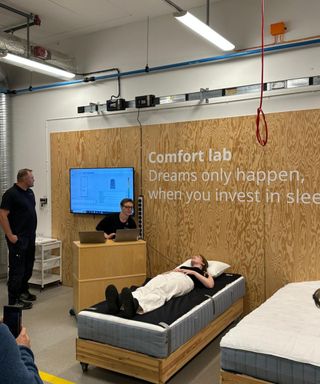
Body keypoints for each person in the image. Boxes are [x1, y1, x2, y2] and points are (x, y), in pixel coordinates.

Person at [105, 254, 214, 318]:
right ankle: (119, 302)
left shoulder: (202, 273)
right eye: (193, 256)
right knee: (147, 288)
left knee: (161, 291)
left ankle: (136, 306)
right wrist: (173, 271)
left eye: (197, 256)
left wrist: (194, 273)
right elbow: (169, 273)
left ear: (203, 263)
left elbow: (210, 284)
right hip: (170, 275)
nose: (193, 256)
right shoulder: (184, 266)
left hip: (185, 280)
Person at [0, 169, 37, 310]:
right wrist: (10, 235)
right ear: (23, 179)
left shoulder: (29, 192)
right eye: (31, 177)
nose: (34, 180)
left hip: (30, 237)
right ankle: (13, 300)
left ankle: (23, 292)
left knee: (28, 267)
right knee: (17, 270)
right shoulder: (11, 194)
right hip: (17, 238)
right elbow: (2, 215)